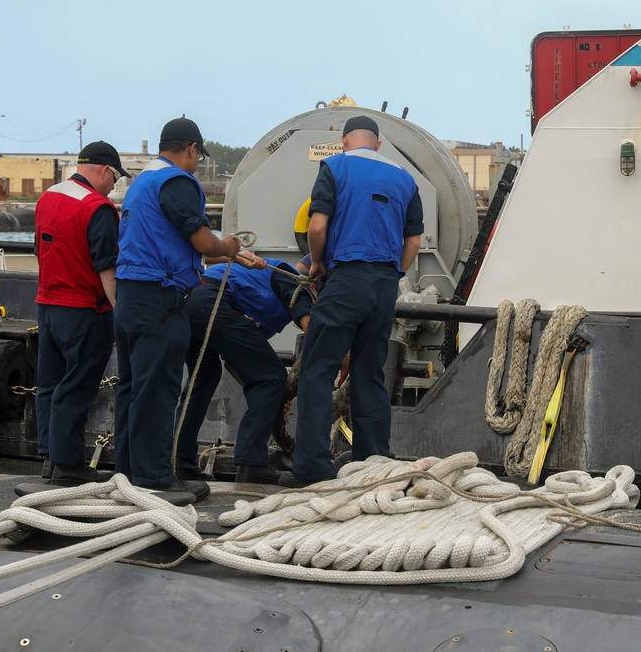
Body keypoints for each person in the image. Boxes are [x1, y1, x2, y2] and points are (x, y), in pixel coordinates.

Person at [113, 116, 258, 502]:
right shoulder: (175, 181)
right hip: (158, 299)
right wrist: (227, 247)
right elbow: (200, 239)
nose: (197, 164)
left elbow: (159, 240)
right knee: (158, 390)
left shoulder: (141, 181)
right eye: (198, 156)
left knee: (133, 389)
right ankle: (156, 477)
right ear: (192, 149)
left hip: (131, 296)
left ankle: (127, 473)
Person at [282, 115, 424, 487]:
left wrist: (315, 262)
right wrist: (391, 275)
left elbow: (317, 226)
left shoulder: (335, 166)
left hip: (345, 279)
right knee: (369, 372)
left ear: (344, 141)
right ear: (378, 144)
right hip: (384, 286)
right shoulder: (404, 178)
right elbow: (413, 243)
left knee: (317, 369)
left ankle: (312, 467)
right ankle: (374, 461)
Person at [34, 141, 130, 486]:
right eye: (115, 179)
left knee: (49, 384)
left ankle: (49, 456)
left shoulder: (48, 197)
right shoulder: (97, 208)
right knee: (77, 385)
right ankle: (69, 463)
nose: (113, 187)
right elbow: (108, 269)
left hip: (47, 304)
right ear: (105, 171)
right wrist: (123, 315)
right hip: (84, 310)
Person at [174, 258, 312, 485]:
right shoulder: (293, 281)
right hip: (213, 300)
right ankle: (252, 463)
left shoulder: (263, 292)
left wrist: (271, 396)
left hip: (189, 304)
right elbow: (311, 324)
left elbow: (237, 362)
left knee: (205, 376)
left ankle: (180, 459)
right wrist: (344, 357)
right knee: (272, 375)